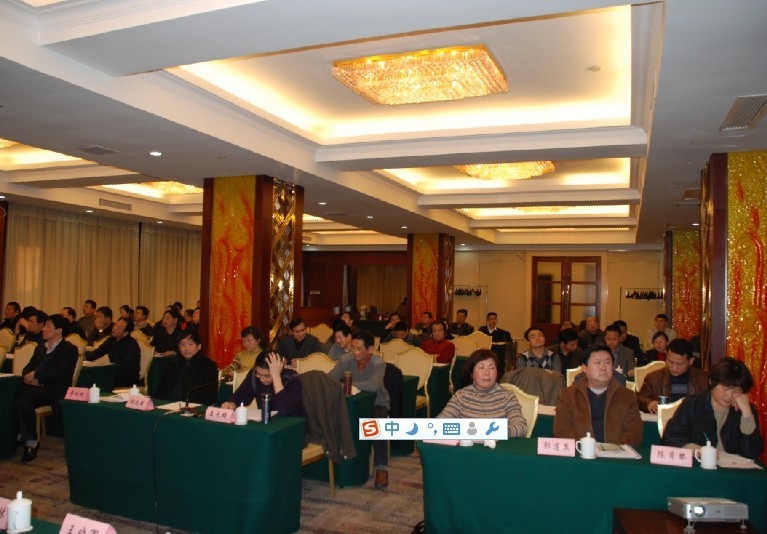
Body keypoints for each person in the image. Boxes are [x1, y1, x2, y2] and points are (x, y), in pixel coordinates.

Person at [663, 357, 762, 460]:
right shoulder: (692, 405)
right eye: (725, 388)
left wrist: (746, 414)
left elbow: (752, 453)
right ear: (711, 382)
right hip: (699, 464)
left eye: (737, 390)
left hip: (733, 467)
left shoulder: (746, 411)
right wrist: (697, 450)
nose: (729, 395)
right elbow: (671, 438)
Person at [329, 330, 389, 489]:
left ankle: (381, 468)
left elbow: (374, 386)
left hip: (376, 403)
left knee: (376, 423)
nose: (354, 352)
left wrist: (347, 385)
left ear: (370, 349)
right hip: (350, 404)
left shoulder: (378, 363)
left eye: (358, 349)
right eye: (352, 348)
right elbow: (331, 378)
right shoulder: (346, 359)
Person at [15, 315, 79, 462]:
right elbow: (28, 368)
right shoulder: (41, 348)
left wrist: (37, 376)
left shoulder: (69, 349)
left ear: (59, 330)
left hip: (53, 389)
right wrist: (28, 376)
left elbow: (62, 373)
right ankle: (19, 434)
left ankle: (30, 441)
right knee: (13, 395)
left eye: (48, 326)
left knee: (24, 400)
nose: (44, 329)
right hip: (34, 387)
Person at [554, 344, 643, 446]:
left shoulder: (627, 396)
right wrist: (586, 447)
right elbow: (561, 430)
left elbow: (634, 432)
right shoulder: (568, 395)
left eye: (608, 362)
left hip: (616, 453)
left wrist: (614, 449)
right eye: (597, 363)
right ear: (584, 368)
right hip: (581, 452)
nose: (603, 367)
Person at [438, 349, 527, 437]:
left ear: (497, 372)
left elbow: (521, 427)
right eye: (481, 368)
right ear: (471, 373)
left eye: (491, 368)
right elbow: (441, 422)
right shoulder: (461, 396)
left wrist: (499, 432)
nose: (487, 373)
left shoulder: (507, 396)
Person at [222, 352, 306, 421]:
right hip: (267, 422)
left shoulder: (292, 379)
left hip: (292, 426)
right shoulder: (254, 375)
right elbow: (242, 394)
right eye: (259, 374)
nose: (262, 379)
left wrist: (276, 377)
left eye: (267, 376)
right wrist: (232, 404)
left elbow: (285, 410)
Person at [637, 338, 708, 413]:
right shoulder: (654, 378)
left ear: (691, 361)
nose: (673, 367)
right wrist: (648, 403)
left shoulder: (703, 379)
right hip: (662, 418)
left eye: (679, 364)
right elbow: (640, 399)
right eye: (670, 362)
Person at [154, 330, 218, 405]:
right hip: (167, 405)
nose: (187, 348)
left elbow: (210, 396)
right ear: (179, 347)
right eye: (183, 344)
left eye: (191, 344)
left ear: (199, 346)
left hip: (190, 407)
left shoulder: (208, 366)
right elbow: (160, 389)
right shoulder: (174, 364)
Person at [85, 318, 140, 387]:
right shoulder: (111, 340)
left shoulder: (132, 345)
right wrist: (85, 359)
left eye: (119, 328)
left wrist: (109, 368)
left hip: (127, 377)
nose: (115, 328)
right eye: (115, 325)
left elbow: (128, 366)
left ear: (125, 333)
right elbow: (98, 352)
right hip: (114, 373)